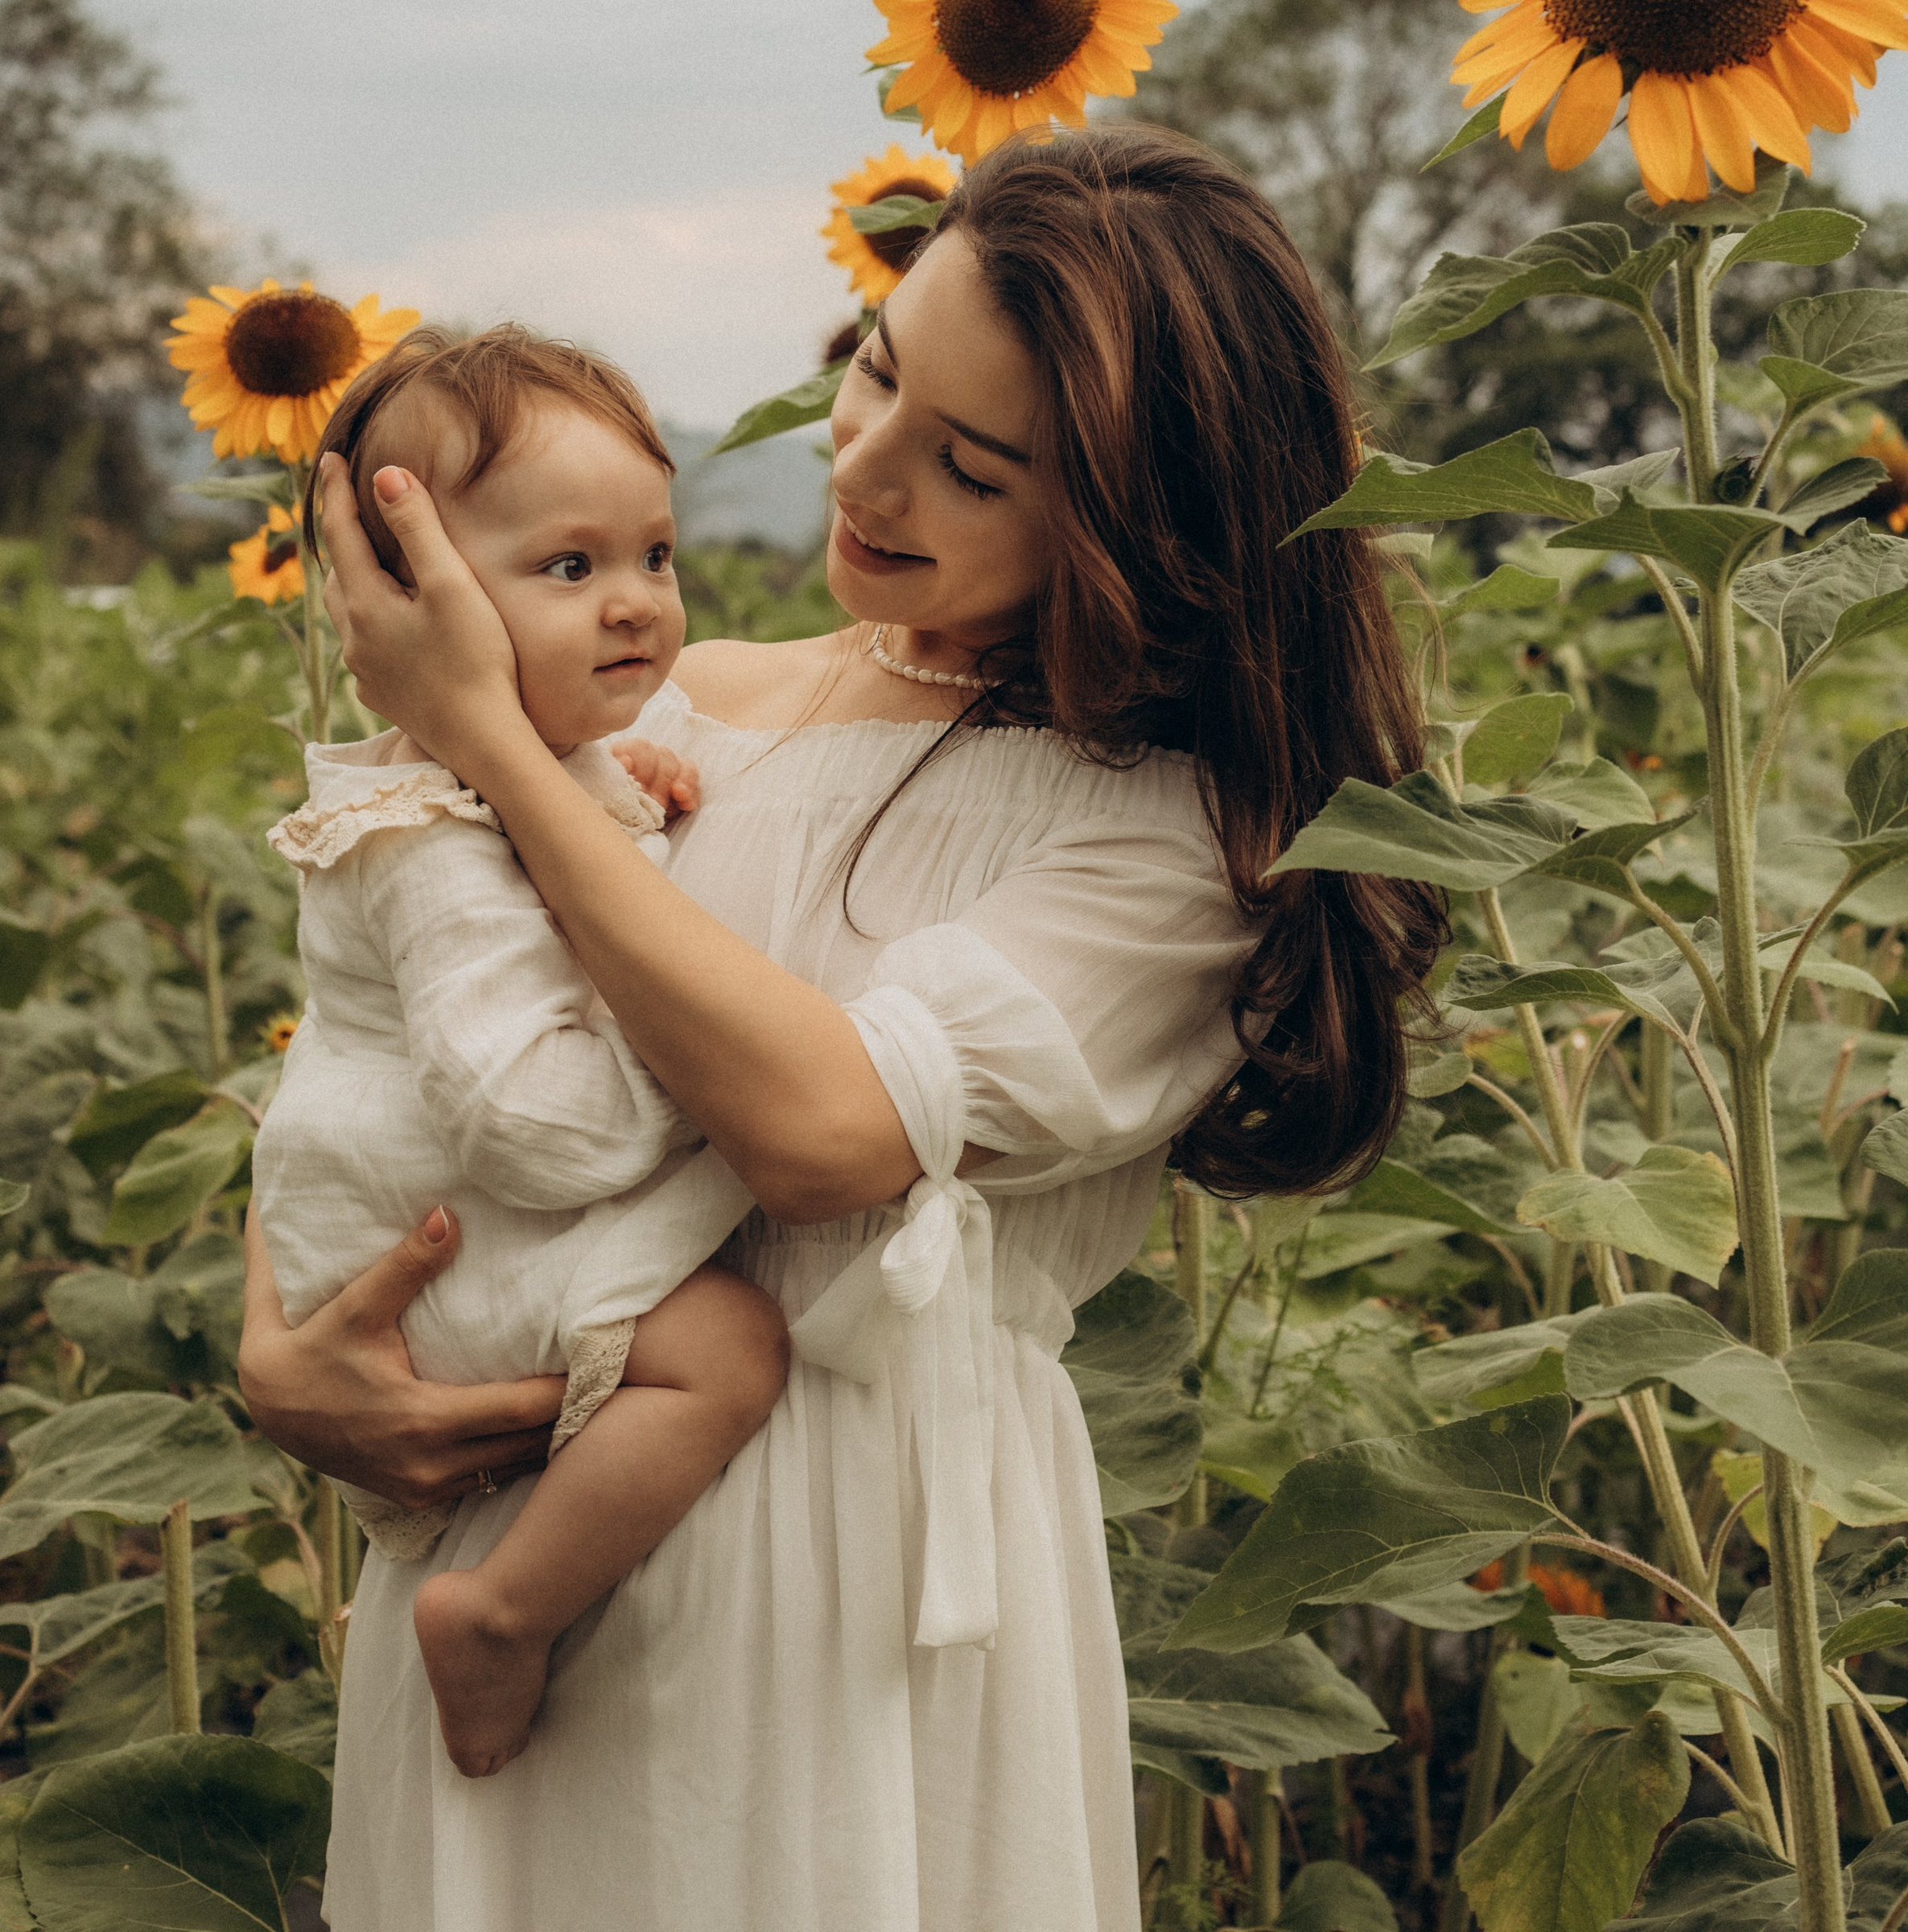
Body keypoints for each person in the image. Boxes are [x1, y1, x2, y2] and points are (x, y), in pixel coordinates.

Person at [239, 126, 1444, 1932]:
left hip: (850, 1597)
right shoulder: (684, 715)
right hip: (521, 1537)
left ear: (1135, 522)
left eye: (968, 466)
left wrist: (482, 735)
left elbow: (816, 1128)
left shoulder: (1172, 836)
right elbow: (399, 1031)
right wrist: (280, 1356)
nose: (864, 471)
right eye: (874, 370)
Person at [258, 326, 789, 1778]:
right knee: (727, 1351)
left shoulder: (535, 765)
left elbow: (555, 844)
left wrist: (618, 792)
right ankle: (497, 1613)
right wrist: (708, 1056)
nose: (635, 608)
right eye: (570, 569)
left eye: (657, 557)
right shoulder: (424, 840)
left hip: (446, 1207)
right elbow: (537, 1126)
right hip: (427, 1241)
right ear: (407, 597)